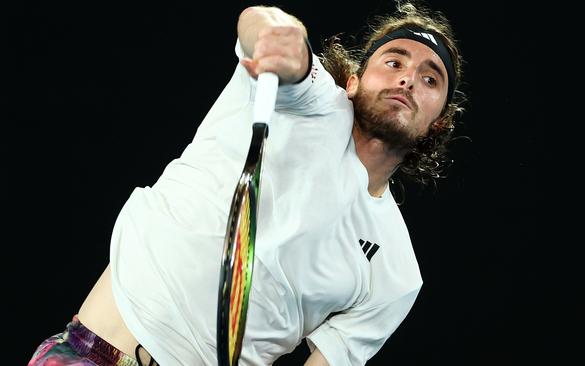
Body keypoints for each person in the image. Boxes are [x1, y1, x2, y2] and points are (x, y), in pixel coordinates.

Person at [28, 1, 464, 365]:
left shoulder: (397, 274)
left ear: (438, 122)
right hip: (91, 353)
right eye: (393, 62)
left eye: (430, 79)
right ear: (351, 81)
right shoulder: (307, 102)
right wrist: (278, 32)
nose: (407, 79)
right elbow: (264, 27)